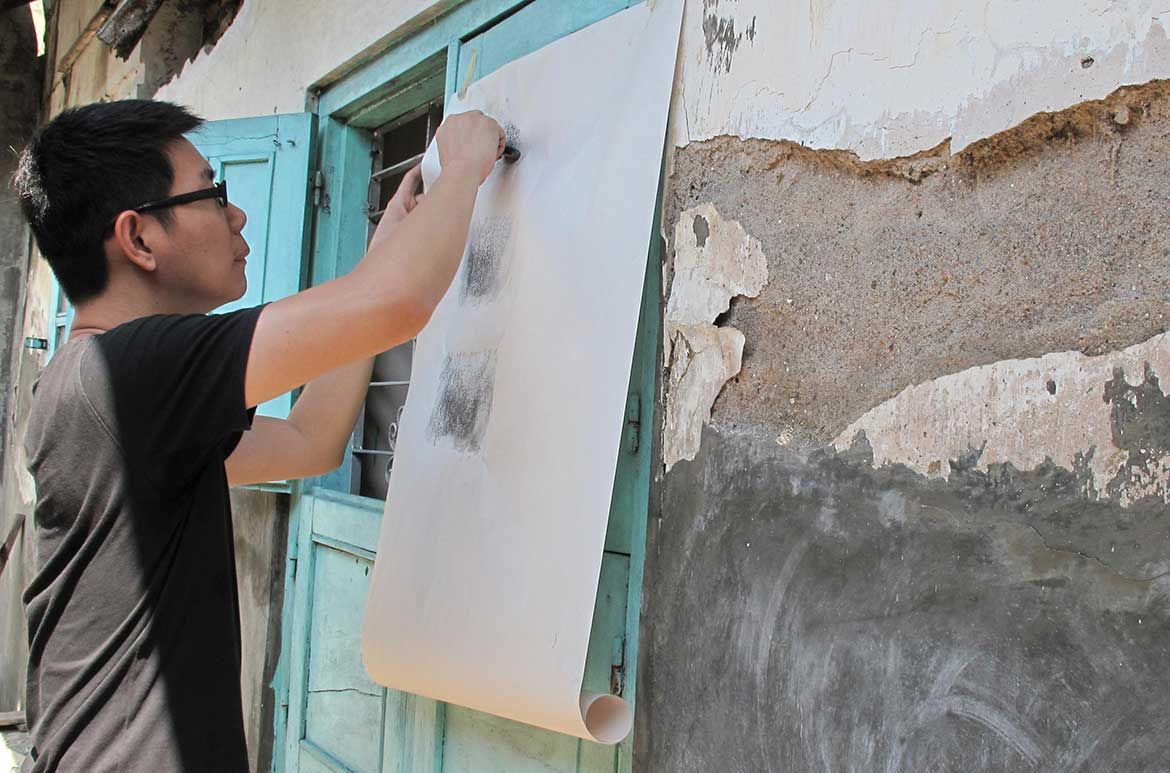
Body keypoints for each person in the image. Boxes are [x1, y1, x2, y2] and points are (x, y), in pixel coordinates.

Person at [13, 99, 504, 772]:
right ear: (139, 239)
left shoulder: (95, 388)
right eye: (214, 193)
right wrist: (468, 166)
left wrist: (380, 259)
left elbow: (310, 440)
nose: (237, 214)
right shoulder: (127, 371)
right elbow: (399, 303)